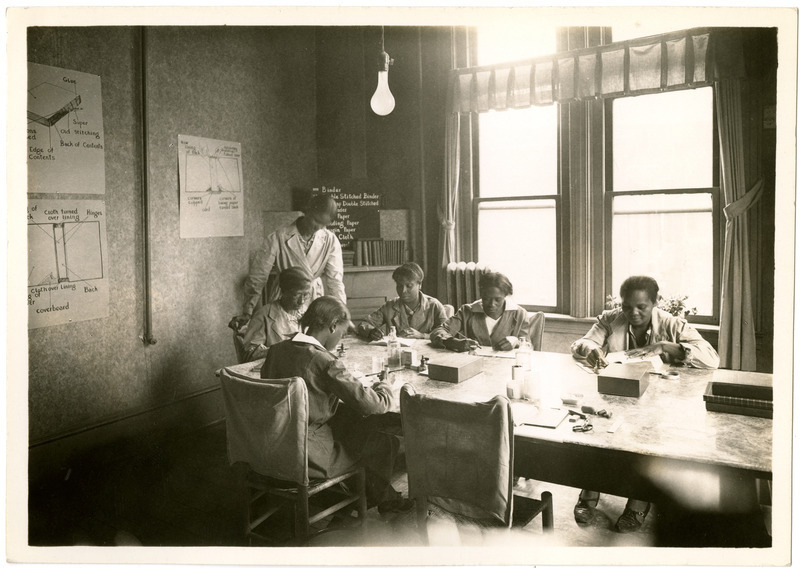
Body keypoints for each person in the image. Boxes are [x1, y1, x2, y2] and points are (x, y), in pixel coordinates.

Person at [570, 275, 720, 533]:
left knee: (647, 441)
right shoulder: (610, 318)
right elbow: (581, 344)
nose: (634, 313)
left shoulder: (673, 324)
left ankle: (638, 502)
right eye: (627, 307)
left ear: (656, 302)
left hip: (659, 400)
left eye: (642, 307)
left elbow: (711, 359)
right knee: (597, 435)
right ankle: (589, 491)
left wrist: (665, 346)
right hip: (617, 393)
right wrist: (589, 348)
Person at [260, 296, 412, 514]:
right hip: (307, 454)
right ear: (332, 326)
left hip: (272, 443)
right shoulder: (325, 361)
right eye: (341, 333)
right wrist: (384, 386)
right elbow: (373, 406)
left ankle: (376, 496)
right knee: (385, 443)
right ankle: (357, 503)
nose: (340, 339)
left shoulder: (276, 351)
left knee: (350, 423)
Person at [230, 194, 346, 332]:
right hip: (285, 299)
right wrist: (247, 310)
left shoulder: (331, 240)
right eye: (316, 220)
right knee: (283, 342)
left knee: (312, 344)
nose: (318, 227)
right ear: (307, 210)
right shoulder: (277, 237)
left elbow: (335, 280)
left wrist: (342, 314)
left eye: (324, 224)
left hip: (314, 300)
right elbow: (258, 277)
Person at [430, 270, 531, 352]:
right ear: (481, 294)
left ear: (505, 296)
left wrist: (516, 341)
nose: (492, 304)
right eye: (486, 298)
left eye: (497, 299)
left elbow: (528, 346)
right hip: (474, 366)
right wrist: (453, 342)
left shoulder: (519, 314)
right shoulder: (467, 311)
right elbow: (437, 332)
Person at [356, 262, 448, 340]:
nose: (403, 291)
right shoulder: (390, 306)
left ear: (419, 285)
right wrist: (371, 331)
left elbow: (446, 333)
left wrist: (422, 335)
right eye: (399, 286)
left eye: (409, 286)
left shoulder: (434, 305)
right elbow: (364, 324)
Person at [239, 267, 312, 362]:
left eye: (306, 295)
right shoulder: (264, 315)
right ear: (284, 291)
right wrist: (282, 350)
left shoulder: (307, 312)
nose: (301, 301)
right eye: (296, 295)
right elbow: (250, 353)